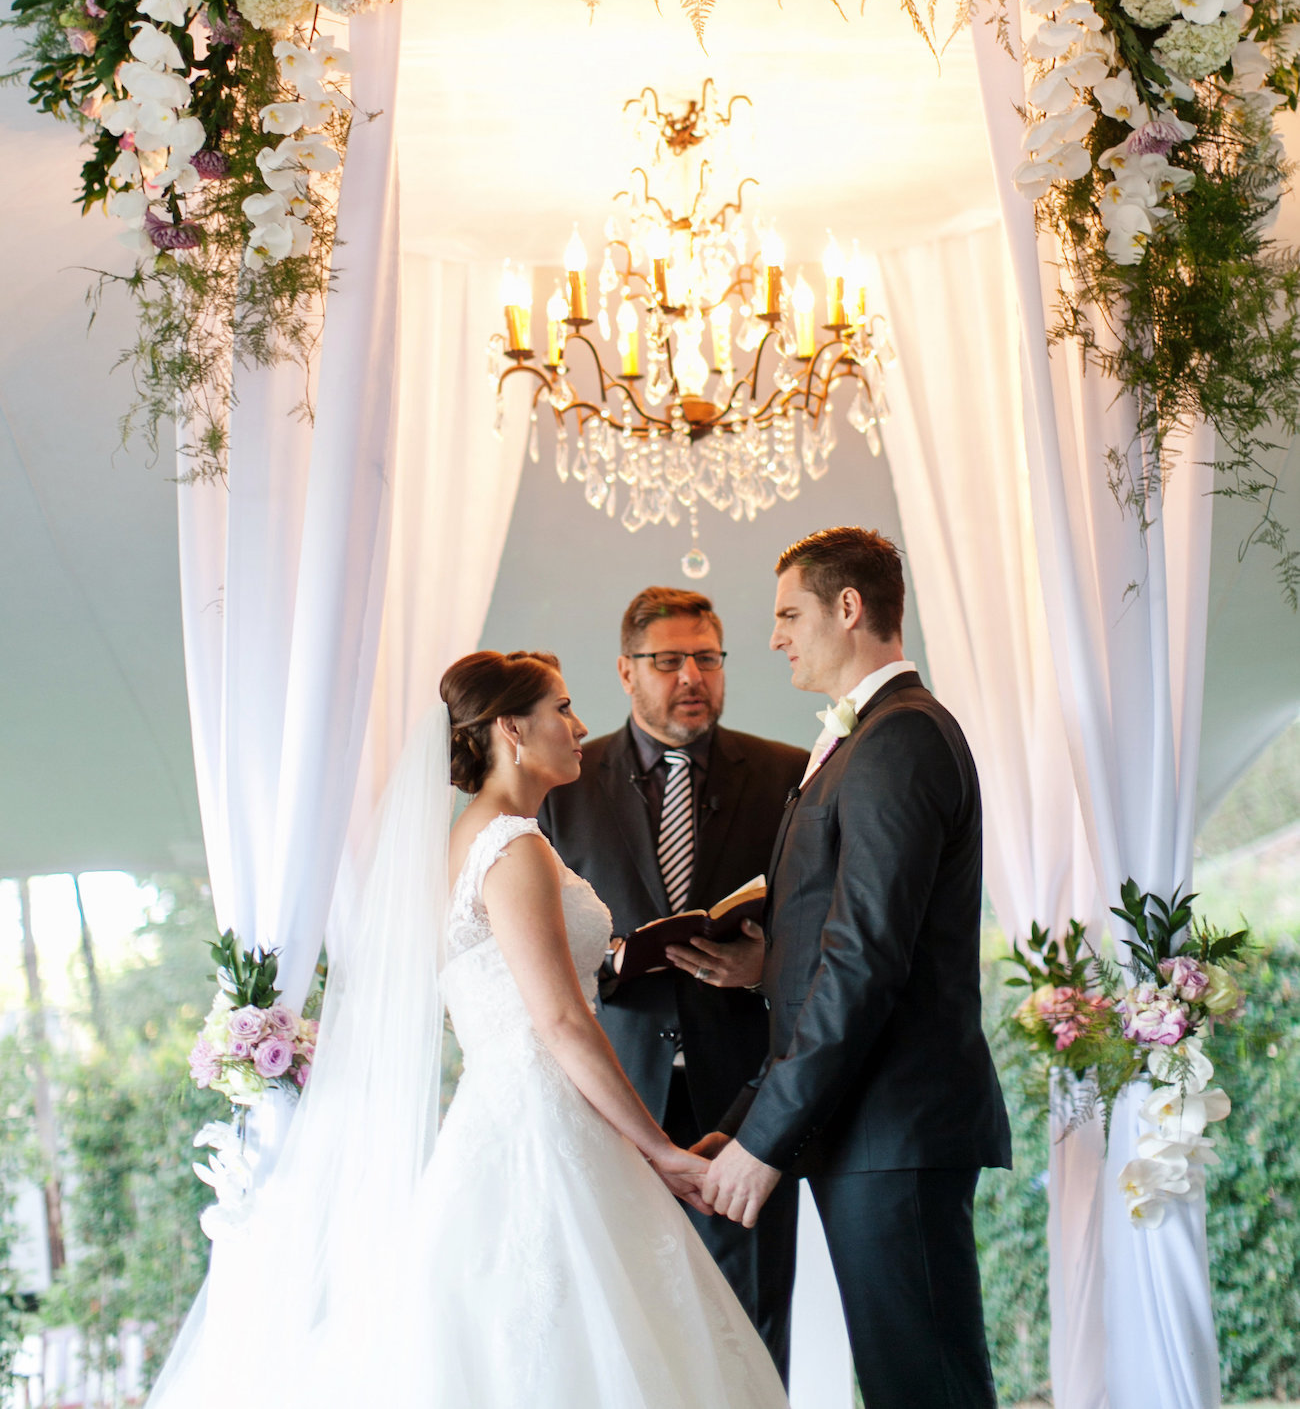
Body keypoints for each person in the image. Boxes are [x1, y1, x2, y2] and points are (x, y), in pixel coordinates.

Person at [143, 650, 788, 1409]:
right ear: (513, 728)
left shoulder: (474, 842)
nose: (579, 728)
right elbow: (559, 1021)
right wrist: (661, 1151)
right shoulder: (514, 849)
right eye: (562, 709)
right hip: (544, 1130)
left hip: (516, 1115)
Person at [696, 527, 1011, 1409]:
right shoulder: (864, 738)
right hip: (868, 1126)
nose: (775, 636)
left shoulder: (900, 738)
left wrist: (767, 1139)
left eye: (789, 613)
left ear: (849, 607)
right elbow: (834, 946)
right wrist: (750, 1098)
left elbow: (865, 959)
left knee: (926, 1387)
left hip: (895, 1127)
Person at [539, 589, 804, 1380]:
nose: (692, 676)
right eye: (668, 661)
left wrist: (766, 969)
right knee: (623, 1325)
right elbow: (529, 947)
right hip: (614, 1098)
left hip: (748, 1102)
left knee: (748, 1331)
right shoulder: (564, 786)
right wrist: (608, 961)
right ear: (626, 671)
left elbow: (824, 928)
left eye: (709, 658)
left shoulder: (788, 774)